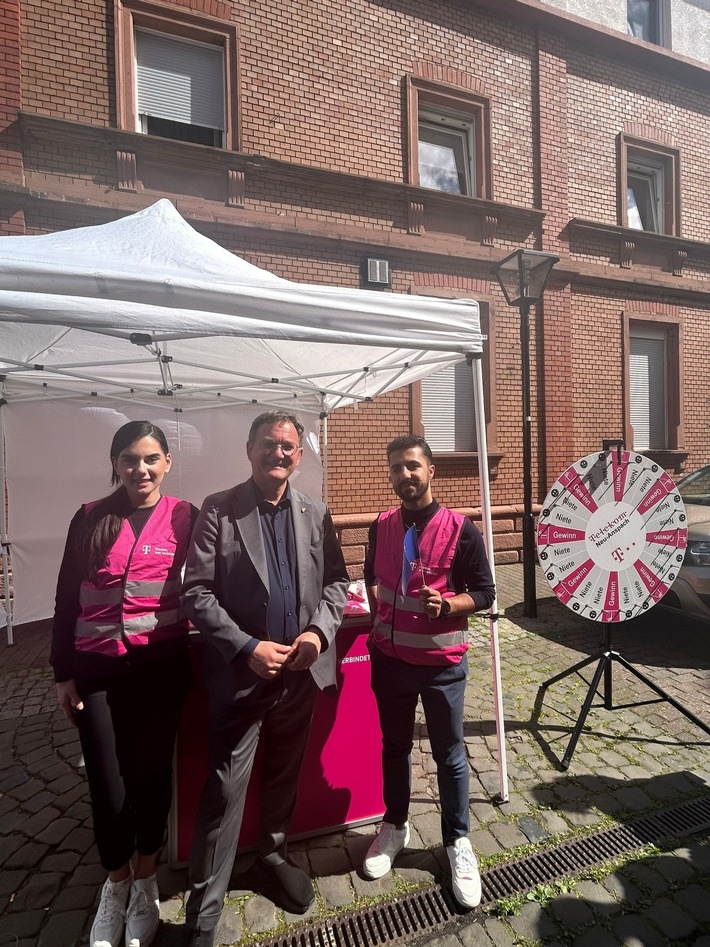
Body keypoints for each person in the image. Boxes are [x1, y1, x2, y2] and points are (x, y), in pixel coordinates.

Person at [182, 410, 348, 946]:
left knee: (283, 774)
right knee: (225, 791)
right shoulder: (219, 510)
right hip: (243, 678)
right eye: (269, 445)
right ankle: (204, 910)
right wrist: (248, 647)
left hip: (299, 675)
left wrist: (317, 635)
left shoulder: (316, 512)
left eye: (288, 447)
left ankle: (271, 857)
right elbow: (197, 593)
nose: (279, 454)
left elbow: (337, 586)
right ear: (248, 449)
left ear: (299, 455)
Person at [51, 420, 197, 947]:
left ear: (167, 463)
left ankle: (146, 883)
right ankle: (116, 886)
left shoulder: (185, 516)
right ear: (115, 463)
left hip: (161, 672)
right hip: (99, 674)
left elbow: (207, 585)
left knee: (152, 779)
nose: (141, 469)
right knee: (109, 790)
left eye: (152, 458)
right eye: (131, 459)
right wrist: (62, 672)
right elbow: (68, 597)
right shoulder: (89, 517)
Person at [362, 435, 495, 909]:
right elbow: (370, 579)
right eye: (397, 468)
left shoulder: (462, 529)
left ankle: (457, 841)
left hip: (441, 666)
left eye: (413, 466)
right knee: (394, 747)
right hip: (390, 661)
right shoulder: (380, 526)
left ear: (431, 471)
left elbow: (485, 592)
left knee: (450, 755)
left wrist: (450, 604)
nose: (405, 475)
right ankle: (394, 826)